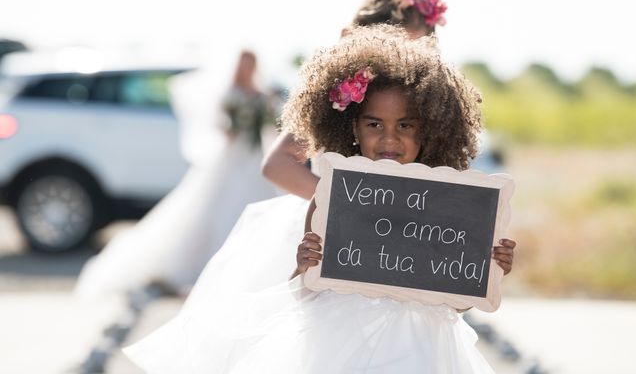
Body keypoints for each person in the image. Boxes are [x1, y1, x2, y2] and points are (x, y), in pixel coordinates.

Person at [124, 25, 516, 373]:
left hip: (420, 348)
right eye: (374, 124)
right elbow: (304, 292)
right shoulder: (335, 195)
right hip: (338, 344)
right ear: (352, 128)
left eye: (406, 126)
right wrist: (303, 265)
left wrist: (485, 267)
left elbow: (455, 304)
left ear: (429, 130)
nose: (390, 139)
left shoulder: (443, 201)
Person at [75, 50, 277, 297]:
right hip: (233, 157)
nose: (248, 68)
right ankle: (207, 266)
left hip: (253, 159)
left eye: (252, 63)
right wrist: (231, 130)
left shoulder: (263, 95)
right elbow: (218, 124)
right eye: (244, 63)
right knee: (214, 210)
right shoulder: (229, 94)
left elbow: (272, 126)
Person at [262, 0, 447, 199]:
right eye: (394, 51)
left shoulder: (430, 108)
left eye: (417, 54)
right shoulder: (338, 101)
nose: (403, 67)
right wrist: (346, 204)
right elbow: (276, 164)